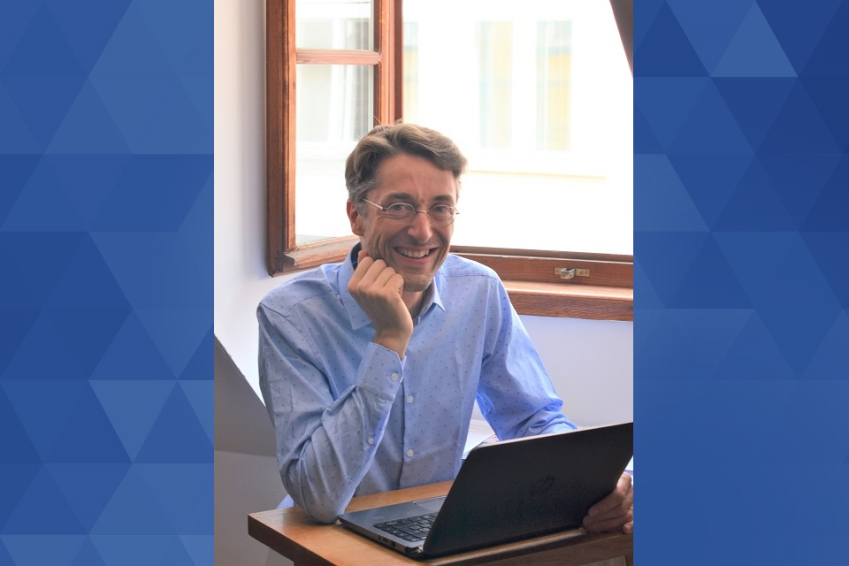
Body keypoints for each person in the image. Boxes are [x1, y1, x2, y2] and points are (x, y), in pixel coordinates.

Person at [258, 123, 633, 532]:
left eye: (440, 208)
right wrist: (389, 341)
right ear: (357, 216)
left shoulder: (478, 290)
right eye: (398, 207)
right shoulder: (291, 315)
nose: (423, 231)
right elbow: (318, 498)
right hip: (331, 541)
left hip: (436, 533)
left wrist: (598, 482)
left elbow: (532, 419)